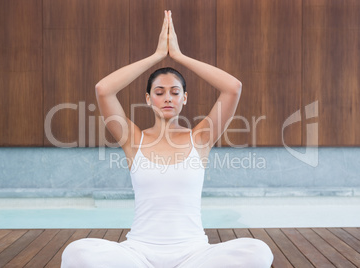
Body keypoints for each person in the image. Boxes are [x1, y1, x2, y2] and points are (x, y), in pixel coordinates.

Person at [61, 10, 273, 268]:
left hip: (194, 254)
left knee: (258, 252)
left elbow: (233, 87)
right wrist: (157, 56)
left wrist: (180, 57)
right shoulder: (133, 139)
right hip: (138, 254)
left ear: (184, 98)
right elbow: (103, 90)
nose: (168, 98)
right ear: (149, 99)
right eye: (159, 92)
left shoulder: (201, 138)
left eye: (175, 92)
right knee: (76, 253)